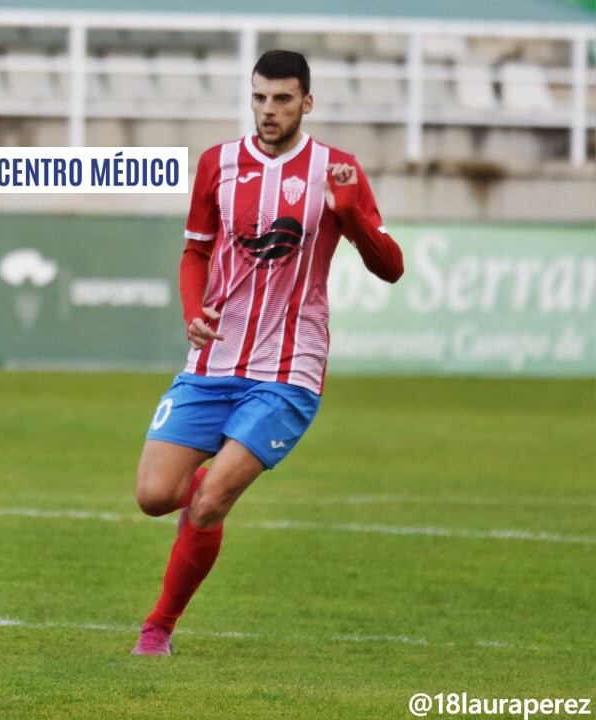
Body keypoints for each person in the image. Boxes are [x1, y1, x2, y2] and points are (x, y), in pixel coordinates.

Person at [130, 49, 405, 655]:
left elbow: (391, 267)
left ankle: (158, 628)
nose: (268, 110)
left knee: (208, 503)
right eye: (259, 98)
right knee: (153, 497)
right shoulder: (218, 164)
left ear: (307, 102)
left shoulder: (339, 169)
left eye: (282, 99)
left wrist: (353, 214)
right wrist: (192, 315)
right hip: (212, 363)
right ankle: (208, 473)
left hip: (289, 371)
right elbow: (195, 252)